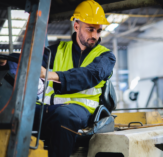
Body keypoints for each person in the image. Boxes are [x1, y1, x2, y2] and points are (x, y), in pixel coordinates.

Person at [33, 0, 116, 156]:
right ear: (76, 26)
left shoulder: (106, 57)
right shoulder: (56, 50)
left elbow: (90, 75)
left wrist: (50, 75)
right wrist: (7, 61)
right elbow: (30, 60)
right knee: (15, 112)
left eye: (98, 31)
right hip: (49, 107)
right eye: (90, 29)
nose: (95, 36)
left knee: (64, 117)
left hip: (82, 111)